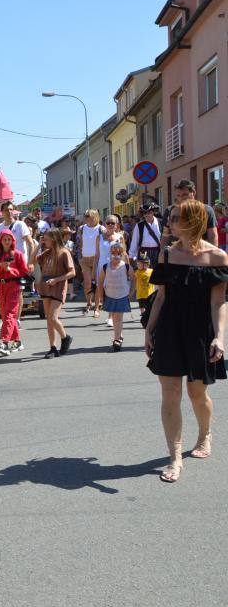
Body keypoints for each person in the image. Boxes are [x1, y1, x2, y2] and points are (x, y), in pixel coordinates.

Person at [145, 199, 228, 483]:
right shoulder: (167, 254)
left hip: (200, 332)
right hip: (169, 329)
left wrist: (219, 337)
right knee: (170, 394)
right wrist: (149, 330)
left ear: (194, 221)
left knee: (197, 394)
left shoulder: (217, 257)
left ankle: (205, 435)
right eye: (170, 217)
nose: (169, 222)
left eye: (175, 217)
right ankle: (175, 457)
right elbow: (161, 297)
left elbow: (218, 302)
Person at [36, 228, 76, 358]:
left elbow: (72, 272)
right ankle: (52, 348)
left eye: (46, 239)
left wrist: (56, 280)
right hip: (45, 287)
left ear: (53, 239)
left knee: (53, 318)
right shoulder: (47, 253)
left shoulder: (64, 252)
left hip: (58, 288)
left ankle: (65, 337)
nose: (44, 241)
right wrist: (38, 245)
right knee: (49, 320)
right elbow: (32, 261)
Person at [0, 230, 27, 356]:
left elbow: (24, 271)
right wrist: (0, 266)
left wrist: (10, 270)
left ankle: (4, 342)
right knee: (5, 314)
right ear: (0, 241)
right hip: (2, 286)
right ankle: (17, 341)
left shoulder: (18, 254)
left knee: (10, 314)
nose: (6, 242)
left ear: (12, 241)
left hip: (14, 286)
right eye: (4, 239)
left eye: (9, 239)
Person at [161, 179, 217, 247]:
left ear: (194, 192)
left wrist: (213, 251)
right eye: (178, 195)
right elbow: (165, 235)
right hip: (176, 251)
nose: (181, 198)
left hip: (200, 250)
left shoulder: (206, 210)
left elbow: (212, 236)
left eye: (184, 195)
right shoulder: (171, 210)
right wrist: (162, 251)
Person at [99, 241, 133, 352]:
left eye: (119, 253)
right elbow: (100, 282)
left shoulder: (126, 267)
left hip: (122, 295)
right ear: (110, 253)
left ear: (123, 254)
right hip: (110, 295)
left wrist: (131, 293)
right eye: (113, 253)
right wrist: (101, 296)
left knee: (118, 317)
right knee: (114, 317)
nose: (116, 255)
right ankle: (119, 334)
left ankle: (116, 339)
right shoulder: (105, 267)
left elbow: (134, 279)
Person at [93, 215, 126, 322]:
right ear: (105, 224)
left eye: (113, 223)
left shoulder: (120, 237)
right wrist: (94, 270)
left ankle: (110, 316)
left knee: (112, 290)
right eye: (108, 223)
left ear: (117, 225)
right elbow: (97, 255)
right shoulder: (99, 237)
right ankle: (97, 307)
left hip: (114, 267)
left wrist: (125, 268)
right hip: (101, 266)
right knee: (99, 287)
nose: (110, 225)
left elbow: (123, 253)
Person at [77, 210, 102, 314]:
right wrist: (80, 257)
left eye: (90, 216)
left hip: (97, 258)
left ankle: (97, 306)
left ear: (95, 217)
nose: (88, 218)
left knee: (97, 283)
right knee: (87, 283)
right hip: (84, 258)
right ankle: (89, 302)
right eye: (86, 216)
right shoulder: (81, 228)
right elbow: (78, 243)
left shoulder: (101, 229)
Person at [129, 204, 163, 268]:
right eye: (145, 213)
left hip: (158, 252)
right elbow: (134, 242)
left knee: (157, 272)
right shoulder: (139, 225)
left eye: (149, 213)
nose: (147, 215)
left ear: (153, 212)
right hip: (144, 254)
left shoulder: (161, 223)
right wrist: (131, 256)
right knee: (145, 273)